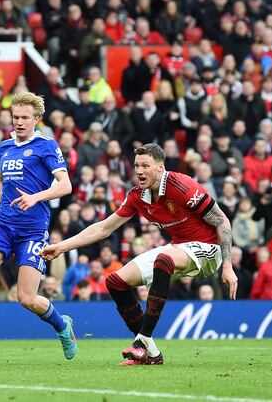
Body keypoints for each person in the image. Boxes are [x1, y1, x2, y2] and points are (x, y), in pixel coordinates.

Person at [41, 143, 237, 366]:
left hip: (208, 249)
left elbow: (221, 220)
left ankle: (141, 342)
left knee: (164, 260)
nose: (140, 171)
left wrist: (228, 265)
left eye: (146, 165)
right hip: (178, 247)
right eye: (136, 165)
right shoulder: (136, 196)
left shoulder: (182, 186)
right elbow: (103, 228)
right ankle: (151, 354)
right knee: (115, 281)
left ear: (160, 168)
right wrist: (61, 246)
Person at [0, 92, 76, 361]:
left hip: (32, 231)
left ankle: (62, 325)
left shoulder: (47, 146)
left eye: (24, 118)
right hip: (2, 225)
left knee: (26, 298)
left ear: (36, 119)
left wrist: (36, 197)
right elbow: (0, 182)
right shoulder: (5, 147)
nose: (19, 122)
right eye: (15, 117)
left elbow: (65, 185)